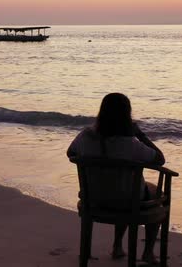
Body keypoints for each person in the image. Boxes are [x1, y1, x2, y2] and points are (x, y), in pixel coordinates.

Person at [67, 93, 165, 264]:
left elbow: (71, 153)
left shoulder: (86, 136)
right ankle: (147, 252)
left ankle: (118, 245)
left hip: (94, 199)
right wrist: (140, 134)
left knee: (124, 190)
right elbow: (159, 159)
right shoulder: (131, 144)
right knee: (157, 194)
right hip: (126, 200)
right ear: (127, 115)